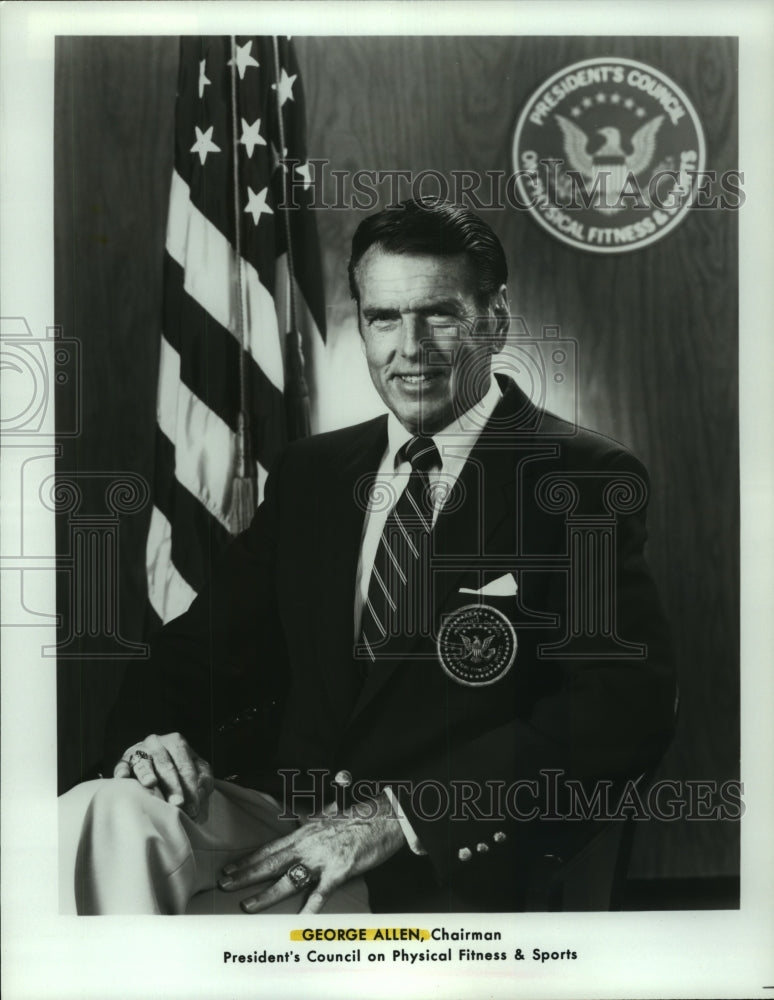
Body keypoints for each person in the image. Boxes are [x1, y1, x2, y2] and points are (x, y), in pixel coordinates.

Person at [59, 198, 676, 915]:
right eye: (383, 317)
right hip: (276, 818)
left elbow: (619, 708)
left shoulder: (580, 478)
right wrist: (148, 743)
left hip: (427, 858)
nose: (408, 348)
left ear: (495, 319)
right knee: (97, 814)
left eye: (438, 315)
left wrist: (399, 815)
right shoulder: (313, 473)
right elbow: (199, 651)